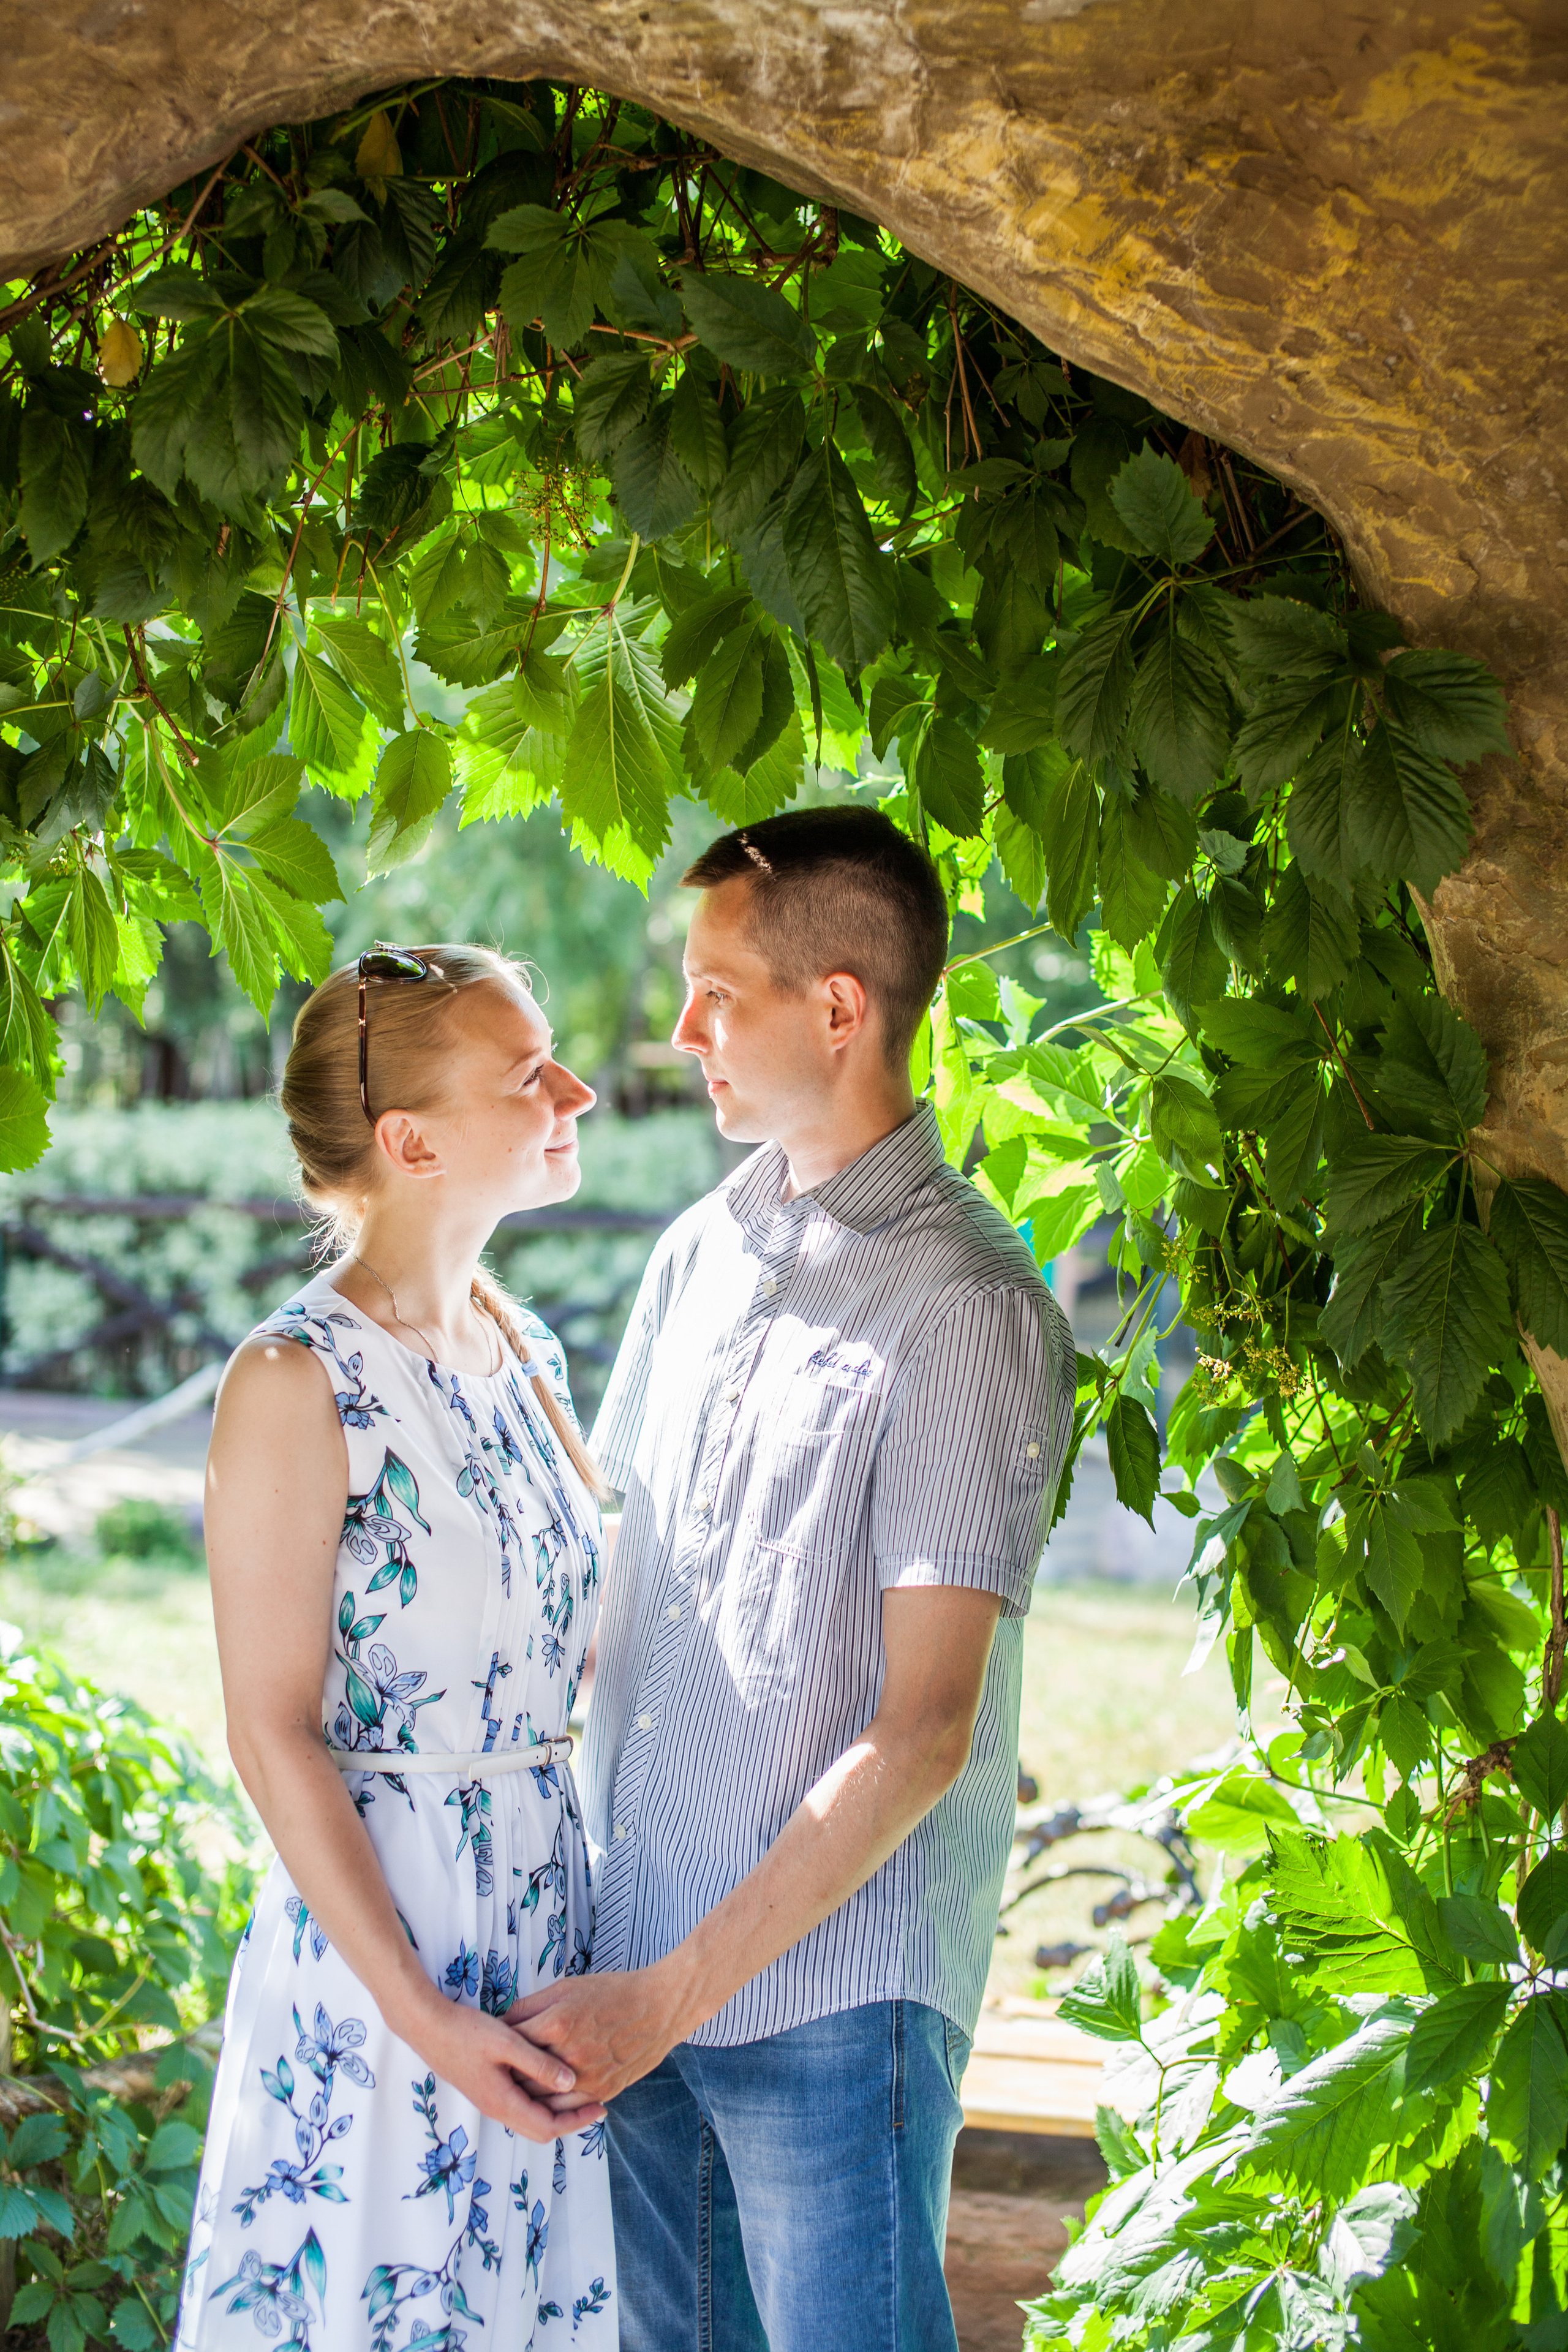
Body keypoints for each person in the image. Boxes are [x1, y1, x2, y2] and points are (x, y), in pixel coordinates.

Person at [511, 809, 1076, 2350]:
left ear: (836, 1006)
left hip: (830, 2011)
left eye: (715, 993)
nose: (679, 1031)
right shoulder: (696, 1251)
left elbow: (925, 1732)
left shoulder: (967, 1306)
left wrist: (671, 1992)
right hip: (631, 1972)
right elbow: (606, 1578)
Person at [178, 944, 618, 2350]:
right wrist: (422, 2014)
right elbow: (270, 1731)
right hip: (386, 1946)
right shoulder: (291, 1378)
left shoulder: (523, 1345)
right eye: (528, 1073)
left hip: (544, 1921)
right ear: (410, 1140)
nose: (577, 1090)